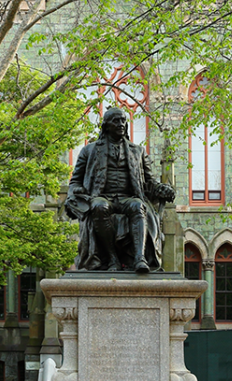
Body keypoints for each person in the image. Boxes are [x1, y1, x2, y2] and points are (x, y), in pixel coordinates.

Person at [65, 106, 176, 272]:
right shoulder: (89, 150)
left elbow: (149, 182)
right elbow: (75, 181)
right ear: (106, 126)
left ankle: (140, 259)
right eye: (116, 121)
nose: (121, 124)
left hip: (128, 197)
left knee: (138, 206)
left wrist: (162, 189)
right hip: (102, 197)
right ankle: (112, 258)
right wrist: (76, 191)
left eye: (123, 120)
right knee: (99, 207)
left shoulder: (138, 151)